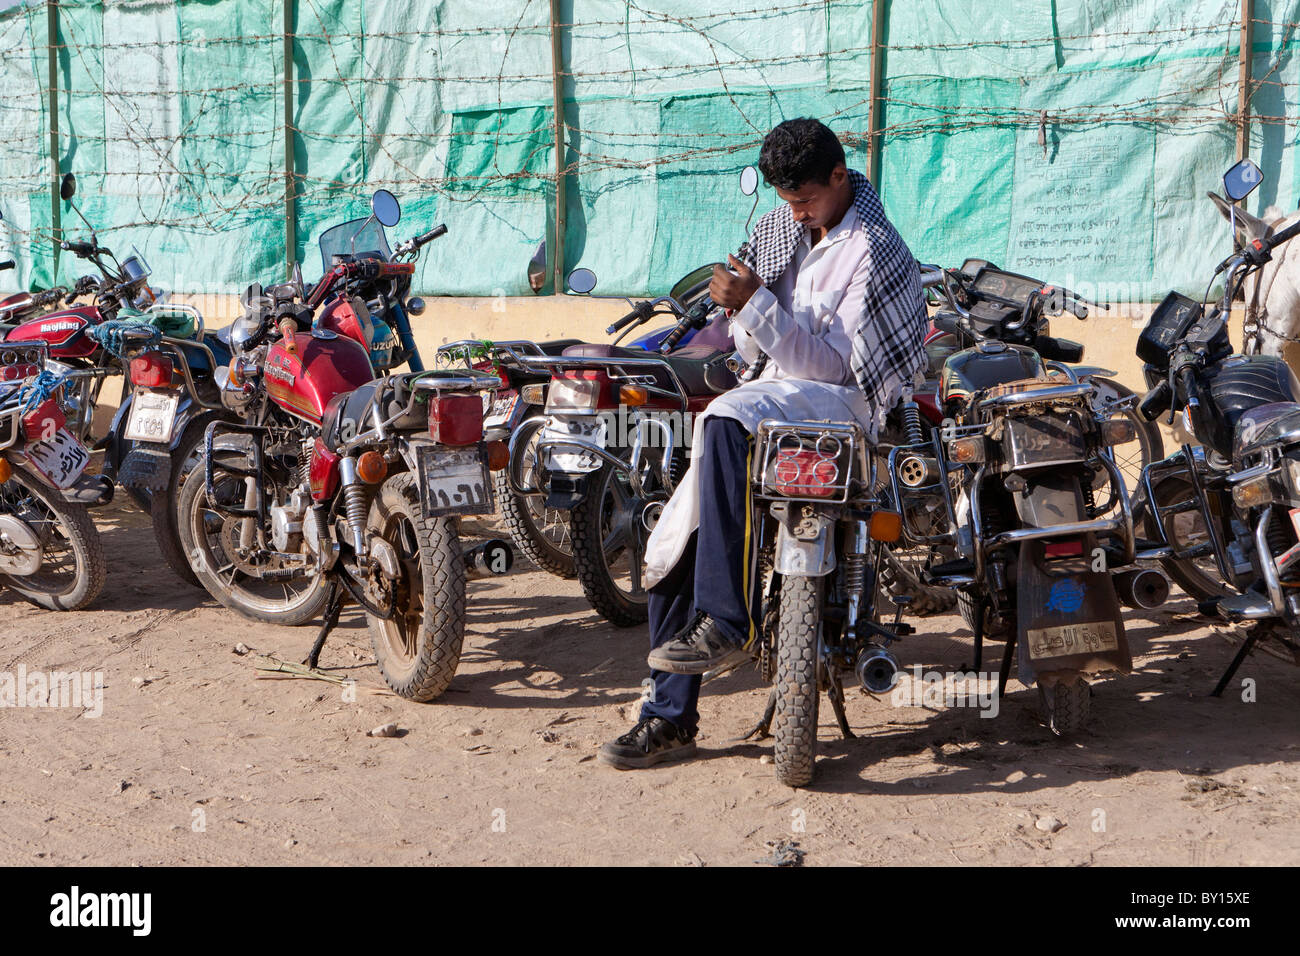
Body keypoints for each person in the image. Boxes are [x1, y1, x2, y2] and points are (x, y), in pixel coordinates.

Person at [597, 117, 930, 770]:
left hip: (839, 405)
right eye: (787, 202)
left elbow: (836, 369)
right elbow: (755, 349)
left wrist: (756, 307)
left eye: (806, 200)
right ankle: (667, 716)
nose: (797, 214)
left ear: (840, 177)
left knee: (721, 420)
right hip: (774, 395)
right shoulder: (782, 230)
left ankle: (727, 617)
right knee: (674, 540)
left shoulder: (875, 250)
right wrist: (740, 311)